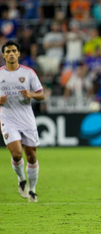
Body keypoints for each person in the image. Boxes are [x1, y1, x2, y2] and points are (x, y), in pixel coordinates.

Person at [0, 40, 45, 202]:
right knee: (17, 153)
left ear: (18, 54)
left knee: (31, 156)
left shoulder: (28, 73)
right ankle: (21, 179)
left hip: (27, 119)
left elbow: (42, 94)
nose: (11, 53)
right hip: (7, 118)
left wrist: (31, 95)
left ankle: (32, 190)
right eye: (7, 51)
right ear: (3, 55)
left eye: (14, 51)